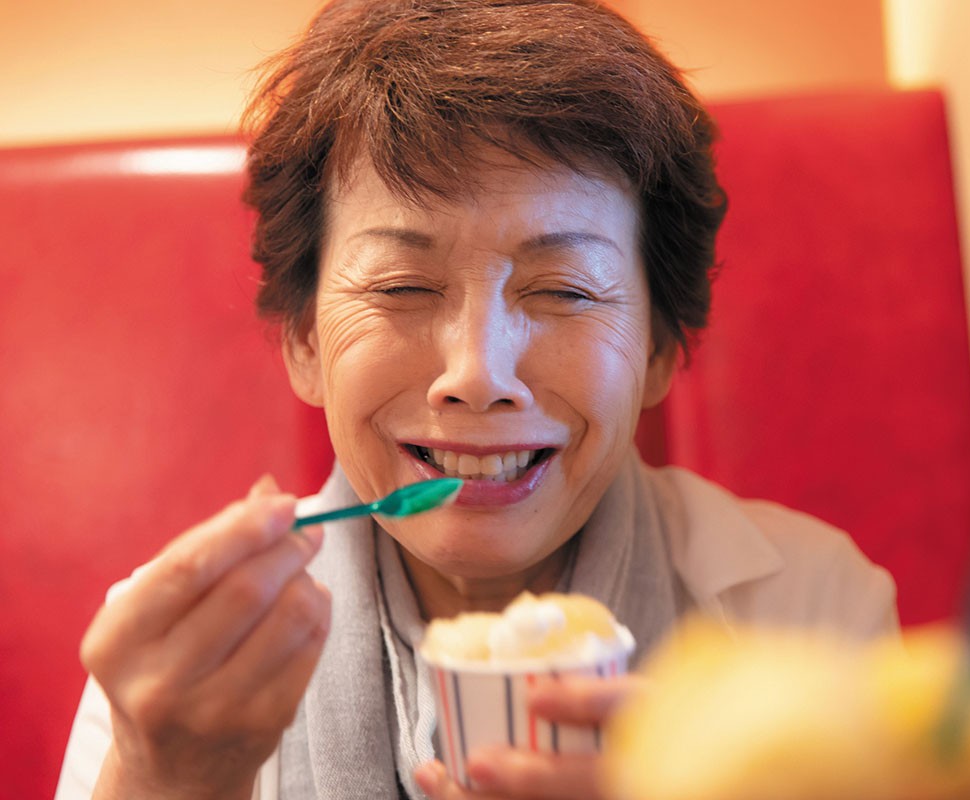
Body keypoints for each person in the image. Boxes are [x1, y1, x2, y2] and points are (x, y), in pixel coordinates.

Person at [55, 1, 897, 798]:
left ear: (661, 350)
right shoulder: (172, 670)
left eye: (564, 290)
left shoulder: (807, 616)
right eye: (404, 284)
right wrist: (165, 777)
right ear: (304, 341)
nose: (478, 373)